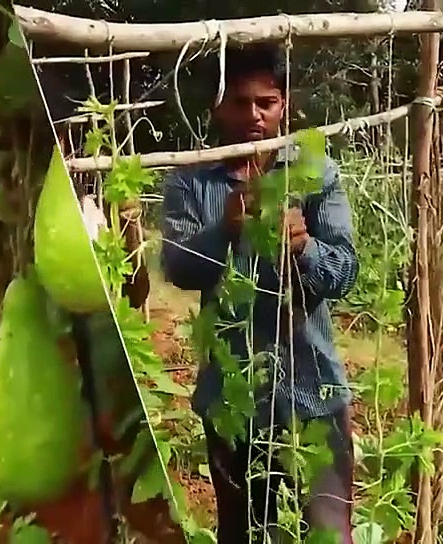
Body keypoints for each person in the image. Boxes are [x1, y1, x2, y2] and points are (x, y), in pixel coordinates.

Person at [159, 44, 359, 544]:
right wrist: (223, 230)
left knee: (328, 532)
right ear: (217, 107)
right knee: (242, 531)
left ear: (284, 104)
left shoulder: (315, 173)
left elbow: (345, 273)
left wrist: (307, 247)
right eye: (240, 102)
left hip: (312, 387)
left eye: (266, 102)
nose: (253, 115)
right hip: (232, 397)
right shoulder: (192, 181)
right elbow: (178, 268)